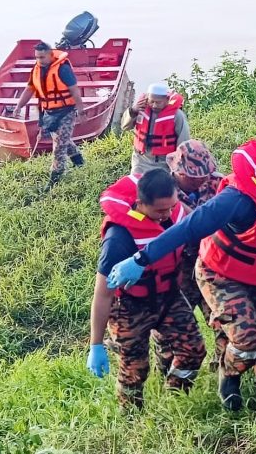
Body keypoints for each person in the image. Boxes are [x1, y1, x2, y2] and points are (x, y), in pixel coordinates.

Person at [107, 141, 256, 412]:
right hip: (223, 274)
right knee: (249, 338)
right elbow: (189, 227)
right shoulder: (238, 200)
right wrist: (142, 258)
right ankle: (229, 375)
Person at [87, 169, 205, 409]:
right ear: (140, 204)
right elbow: (102, 294)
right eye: (160, 210)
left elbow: (202, 227)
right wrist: (95, 344)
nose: (167, 215)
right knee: (135, 370)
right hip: (130, 307)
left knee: (194, 350)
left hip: (169, 296)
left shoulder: (176, 213)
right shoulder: (119, 239)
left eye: (171, 207)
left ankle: (174, 399)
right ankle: (130, 418)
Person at [165, 139, 226, 322]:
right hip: (180, 269)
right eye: (194, 176)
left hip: (215, 264)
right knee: (177, 326)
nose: (202, 179)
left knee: (223, 321)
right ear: (178, 172)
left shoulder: (218, 183)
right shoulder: (162, 192)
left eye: (205, 174)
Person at [12, 41, 84, 186]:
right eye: (37, 57)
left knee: (58, 147)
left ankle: (53, 181)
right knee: (62, 139)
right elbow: (29, 89)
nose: (39, 60)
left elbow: (74, 90)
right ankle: (79, 162)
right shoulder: (36, 69)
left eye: (42, 57)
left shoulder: (62, 69)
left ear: (51, 55)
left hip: (66, 111)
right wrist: (19, 106)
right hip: (49, 112)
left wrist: (81, 110)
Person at [121, 82, 190, 175]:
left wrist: (178, 165)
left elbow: (183, 142)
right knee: (138, 187)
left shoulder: (177, 115)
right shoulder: (140, 109)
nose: (154, 105)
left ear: (166, 100)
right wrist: (133, 111)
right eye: (151, 101)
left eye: (158, 102)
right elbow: (125, 127)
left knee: (161, 188)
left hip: (164, 163)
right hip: (140, 161)